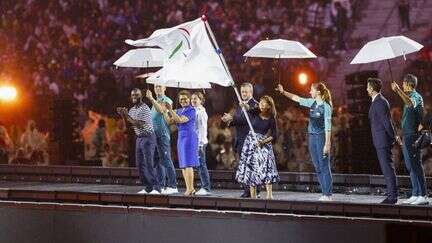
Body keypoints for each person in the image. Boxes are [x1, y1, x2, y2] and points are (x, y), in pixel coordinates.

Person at [277, 82, 334, 201]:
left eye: (311, 90)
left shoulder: (326, 107)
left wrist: (327, 144)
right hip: (312, 137)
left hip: (321, 137)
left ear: (318, 92)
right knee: (317, 165)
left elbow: (328, 126)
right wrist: (283, 92)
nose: (310, 92)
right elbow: (296, 98)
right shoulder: (311, 102)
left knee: (324, 165)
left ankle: (328, 194)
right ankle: (324, 192)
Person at [391, 74, 428, 205]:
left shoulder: (416, 97)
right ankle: (415, 193)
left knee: (416, 164)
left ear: (408, 84)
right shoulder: (409, 97)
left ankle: (423, 195)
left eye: (403, 83)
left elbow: (410, 103)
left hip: (413, 135)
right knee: (410, 165)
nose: (402, 85)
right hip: (407, 135)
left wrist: (398, 91)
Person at [117, 88, 161, 194]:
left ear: (141, 96)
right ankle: (148, 187)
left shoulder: (145, 108)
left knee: (149, 163)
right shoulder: (132, 110)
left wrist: (127, 116)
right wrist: (123, 115)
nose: (134, 97)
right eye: (132, 95)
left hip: (148, 137)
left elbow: (139, 124)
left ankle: (156, 187)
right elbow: (129, 126)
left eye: (136, 95)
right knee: (140, 164)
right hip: (139, 138)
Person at [235, 95, 280, 199]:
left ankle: (269, 195)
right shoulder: (255, 112)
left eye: (264, 103)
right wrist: (244, 106)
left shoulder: (271, 119)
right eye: (261, 102)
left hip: (263, 144)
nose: (262, 104)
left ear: (269, 106)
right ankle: (253, 196)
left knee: (266, 168)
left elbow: (274, 135)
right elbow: (248, 110)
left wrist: (263, 142)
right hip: (251, 142)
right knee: (252, 168)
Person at [221, 82, 260, 198]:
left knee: (252, 166)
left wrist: (232, 118)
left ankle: (256, 190)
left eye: (246, 92)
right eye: (242, 91)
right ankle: (247, 190)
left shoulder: (256, 105)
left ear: (251, 92)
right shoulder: (239, 105)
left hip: (250, 141)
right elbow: (239, 120)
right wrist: (229, 120)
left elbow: (248, 120)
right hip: (240, 139)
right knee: (243, 166)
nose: (243, 94)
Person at [367, 78, 398, 204]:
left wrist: (393, 136)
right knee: (386, 169)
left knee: (387, 169)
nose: (366, 89)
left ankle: (392, 197)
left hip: (383, 140)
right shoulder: (377, 101)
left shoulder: (380, 102)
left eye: (368, 87)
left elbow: (387, 122)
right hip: (380, 140)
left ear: (372, 88)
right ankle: (391, 194)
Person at [163, 90, 199, 196]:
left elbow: (179, 120)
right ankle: (190, 188)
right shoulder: (179, 110)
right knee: (183, 164)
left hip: (189, 137)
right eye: (181, 99)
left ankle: (190, 188)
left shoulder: (192, 110)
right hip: (181, 137)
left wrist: (170, 109)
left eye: (185, 98)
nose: (183, 100)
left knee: (188, 164)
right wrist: (164, 112)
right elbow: (169, 121)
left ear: (189, 99)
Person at [146, 85, 178, 195]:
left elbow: (161, 111)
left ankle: (173, 186)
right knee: (157, 162)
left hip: (163, 135)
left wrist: (151, 99)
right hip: (154, 136)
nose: (157, 88)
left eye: (160, 86)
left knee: (166, 160)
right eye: (155, 87)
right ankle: (161, 186)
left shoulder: (167, 100)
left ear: (165, 88)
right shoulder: (155, 102)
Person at [191, 92, 212, 196]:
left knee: (201, 165)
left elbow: (203, 129)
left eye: (196, 99)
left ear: (201, 100)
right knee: (198, 165)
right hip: (194, 141)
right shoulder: (193, 110)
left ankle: (206, 187)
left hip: (200, 142)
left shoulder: (202, 112)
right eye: (192, 99)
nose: (193, 100)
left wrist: (200, 144)